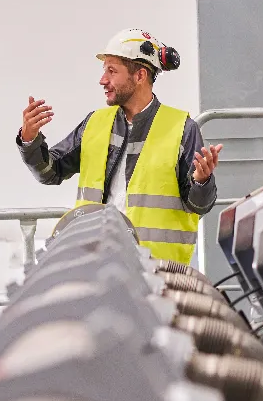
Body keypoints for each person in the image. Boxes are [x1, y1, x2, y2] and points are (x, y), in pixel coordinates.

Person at [17, 29, 222, 263]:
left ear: (140, 76)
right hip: (99, 268)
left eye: (112, 71)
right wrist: (30, 140)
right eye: (104, 71)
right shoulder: (95, 123)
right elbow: (50, 172)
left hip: (159, 276)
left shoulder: (182, 128)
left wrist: (202, 181)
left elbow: (199, 205)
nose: (103, 80)